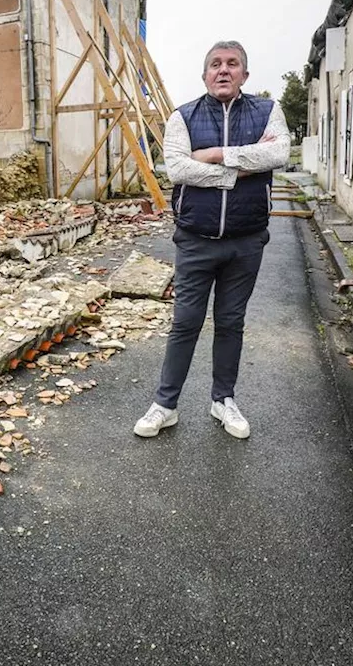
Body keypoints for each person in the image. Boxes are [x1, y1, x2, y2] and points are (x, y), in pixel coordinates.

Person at [134, 40, 290, 440]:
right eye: (215, 64)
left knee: (230, 322)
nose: (223, 70)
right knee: (184, 323)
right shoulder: (182, 117)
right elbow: (178, 169)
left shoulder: (267, 111)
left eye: (232, 64)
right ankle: (165, 405)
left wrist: (215, 154)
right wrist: (239, 169)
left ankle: (223, 400)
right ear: (204, 75)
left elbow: (278, 155)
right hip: (196, 240)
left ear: (245, 74)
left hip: (246, 241)